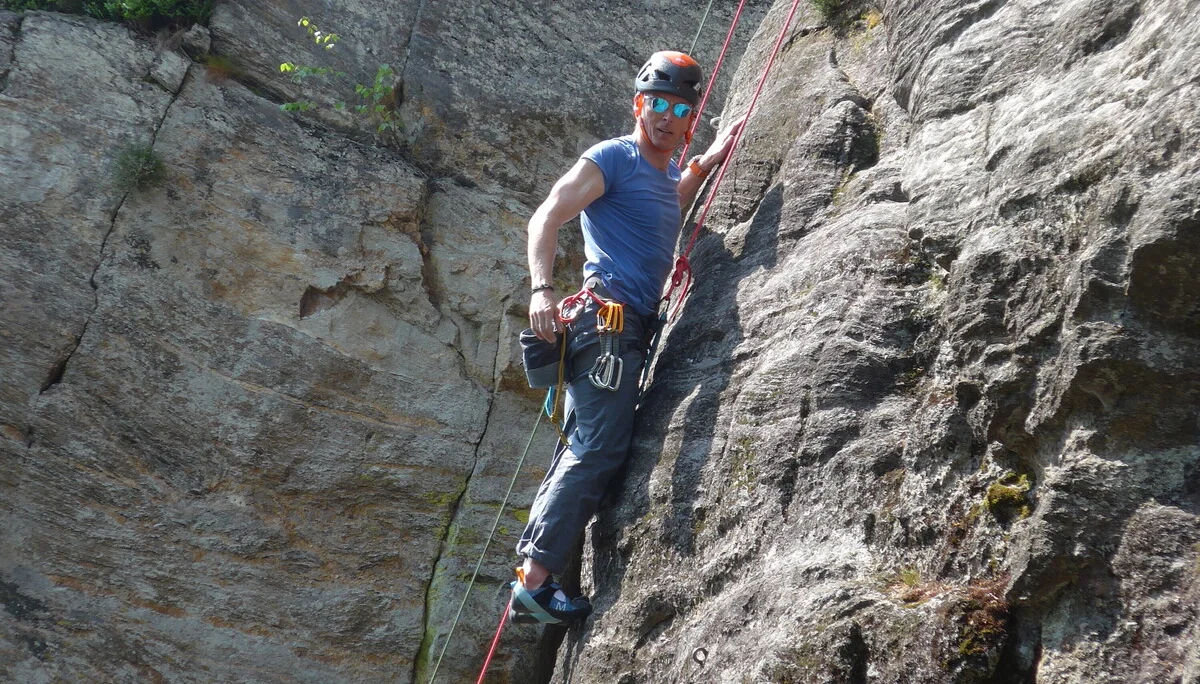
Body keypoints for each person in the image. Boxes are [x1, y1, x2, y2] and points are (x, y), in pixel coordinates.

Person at [511, 51, 743, 624]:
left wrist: (704, 164)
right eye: (657, 103)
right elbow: (546, 217)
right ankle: (536, 581)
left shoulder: (661, 175)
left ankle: (534, 574)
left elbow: (663, 206)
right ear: (638, 105)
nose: (667, 116)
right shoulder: (612, 157)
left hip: (623, 329)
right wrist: (541, 290)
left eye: (681, 109)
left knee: (582, 444)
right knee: (598, 448)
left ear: (691, 121)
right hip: (605, 325)